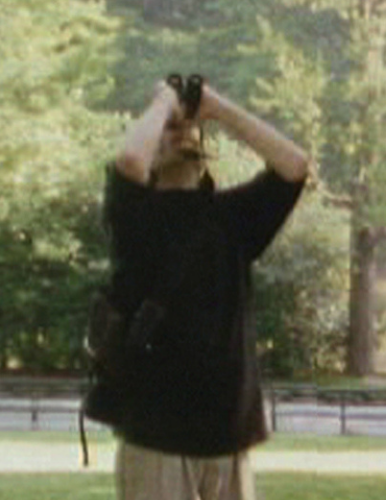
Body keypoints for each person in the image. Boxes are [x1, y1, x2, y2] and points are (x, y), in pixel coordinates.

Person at [82, 78, 310, 500]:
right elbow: (131, 159)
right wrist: (165, 99)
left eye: (186, 127)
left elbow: (294, 164)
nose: (179, 131)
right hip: (156, 433)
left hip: (228, 434)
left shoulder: (233, 218)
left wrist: (216, 106)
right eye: (166, 128)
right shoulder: (134, 214)